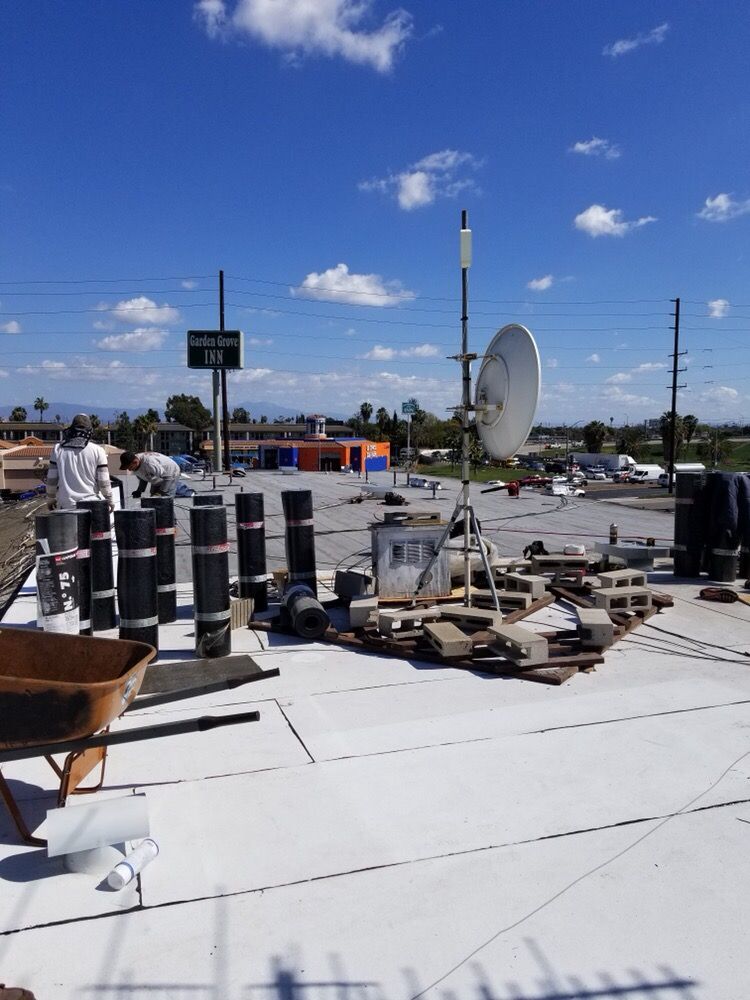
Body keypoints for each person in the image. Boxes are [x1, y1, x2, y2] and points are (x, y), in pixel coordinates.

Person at [46, 414, 114, 511]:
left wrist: (50, 499)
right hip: (92, 505)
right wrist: (109, 500)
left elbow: (52, 480)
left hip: (66, 506)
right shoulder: (98, 450)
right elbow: (103, 482)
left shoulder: (58, 449)